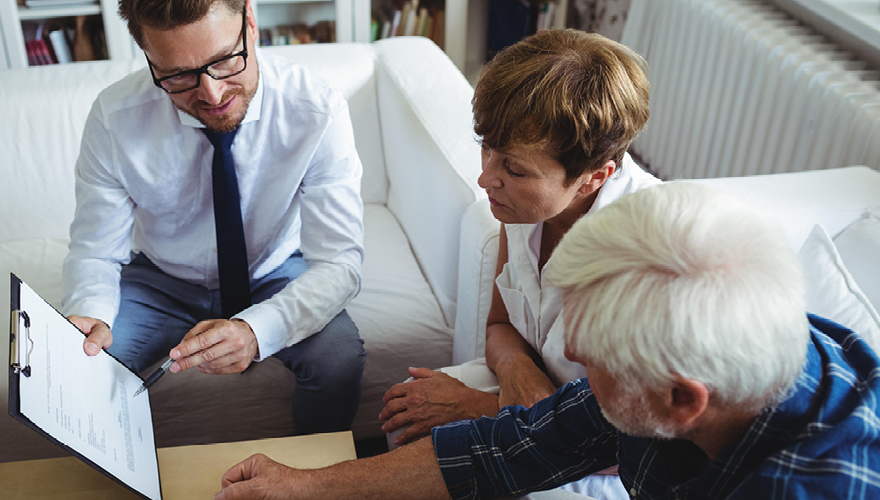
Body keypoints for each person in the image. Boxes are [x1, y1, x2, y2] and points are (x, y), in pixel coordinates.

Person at [212, 182, 880, 500]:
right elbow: (515, 446)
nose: (572, 365)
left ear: (682, 402)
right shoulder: (694, 360)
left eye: (590, 363)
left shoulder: (813, 487)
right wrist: (304, 486)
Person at [60, 0, 366, 435]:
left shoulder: (317, 108)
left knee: (337, 359)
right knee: (80, 370)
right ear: (148, 57)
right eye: (178, 75)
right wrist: (90, 312)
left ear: (251, 23)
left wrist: (256, 330)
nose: (212, 93)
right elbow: (94, 252)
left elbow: (340, 264)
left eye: (224, 60)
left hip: (272, 269)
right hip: (158, 280)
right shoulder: (114, 118)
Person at [380, 29, 658, 498]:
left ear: (595, 177)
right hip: (537, 403)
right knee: (403, 416)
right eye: (486, 146)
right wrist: (517, 371)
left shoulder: (644, 264)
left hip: (606, 463)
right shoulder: (526, 207)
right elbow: (499, 325)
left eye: (515, 168)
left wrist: (475, 408)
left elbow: (632, 446)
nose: (485, 177)